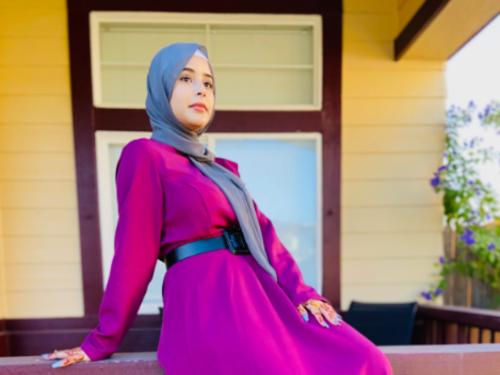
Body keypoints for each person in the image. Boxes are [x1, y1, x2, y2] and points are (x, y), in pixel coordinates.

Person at [41, 42, 393, 374]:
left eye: (209, 83)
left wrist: (302, 292)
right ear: (162, 89)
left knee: (365, 358)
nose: (201, 90)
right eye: (186, 78)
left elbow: (265, 234)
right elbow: (134, 252)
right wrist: (102, 339)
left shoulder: (221, 170)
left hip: (260, 293)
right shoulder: (145, 155)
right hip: (208, 301)